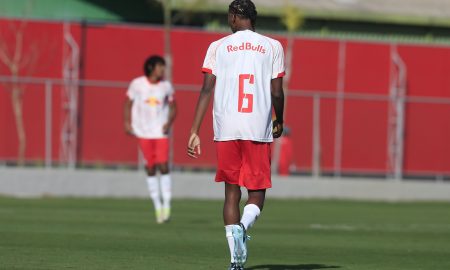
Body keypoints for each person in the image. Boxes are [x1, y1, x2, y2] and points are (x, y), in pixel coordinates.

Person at [187, 1, 285, 269]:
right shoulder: (273, 46)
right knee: (256, 193)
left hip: (226, 128)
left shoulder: (217, 46)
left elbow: (206, 90)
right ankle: (244, 225)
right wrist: (280, 119)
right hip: (257, 128)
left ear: (232, 17)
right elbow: (276, 92)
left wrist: (194, 130)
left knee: (231, 194)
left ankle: (235, 263)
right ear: (253, 18)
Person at [124, 55, 177, 224]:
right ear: (151, 68)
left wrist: (169, 122)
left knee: (163, 165)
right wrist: (127, 122)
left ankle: (167, 204)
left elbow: (174, 107)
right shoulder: (137, 84)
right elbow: (128, 103)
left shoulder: (166, 86)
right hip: (143, 131)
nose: (163, 69)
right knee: (150, 166)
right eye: (160, 66)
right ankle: (157, 206)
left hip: (160, 132)